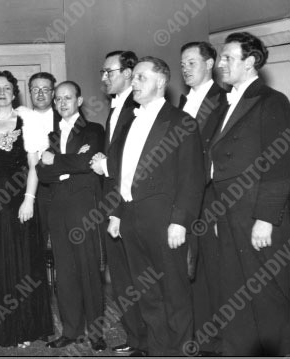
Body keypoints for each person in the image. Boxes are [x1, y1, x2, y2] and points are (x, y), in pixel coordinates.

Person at [107, 57, 205, 355]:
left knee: (174, 292)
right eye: (133, 77)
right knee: (147, 293)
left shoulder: (180, 121)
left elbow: (192, 176)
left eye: (140, 78)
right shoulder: (129, 122)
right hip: (131, 216)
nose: (133, 83)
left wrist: (180, 220)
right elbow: (119, 172)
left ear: (161, 82)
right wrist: (115, 214)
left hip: (164, 219)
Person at [210, 32, 290, 356]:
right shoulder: (226, 102)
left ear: (250, 61)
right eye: (221, 57)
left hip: (255, 213)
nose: (220, 63)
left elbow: (280, 164)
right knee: (236, 291)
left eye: (228, 57)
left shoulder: (272, 101)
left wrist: (266, 219)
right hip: (230, 213)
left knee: (266, 295)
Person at [0, 70, 53, 348]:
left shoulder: (27, 121)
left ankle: (25, 329)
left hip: (19, 202)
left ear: (14, 92)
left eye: (7, 88)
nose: (1, 92)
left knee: (22, 263)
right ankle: (2, 331)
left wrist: (29, 199)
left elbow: (34, 166)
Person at [37, 81, 106, 351]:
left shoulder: (93, 130)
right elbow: (43, 174)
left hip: (83, 208)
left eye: (68, 98)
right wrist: (69, 162)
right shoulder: (53, 136)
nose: (62, 103)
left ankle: (97, 333)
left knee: (89, 270)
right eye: (58, 99)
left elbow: (87, 163)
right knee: (65, 274)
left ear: (79, 101)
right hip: (58, 209)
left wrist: (57, 162)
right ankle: (71, 330)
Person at [89, 50, 148, 355]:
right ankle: (137, 339)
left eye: (109, 72)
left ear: (128, 73)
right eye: (103, 72)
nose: (103, 78)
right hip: (113, 203)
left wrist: (107, 166)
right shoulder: (117, 109)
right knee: (123, 276)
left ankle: (146, 340)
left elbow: (137, 159)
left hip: (127, 203)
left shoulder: (136, 108)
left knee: (135, 276)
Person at [178, 41, 228, 356]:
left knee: (213, 266)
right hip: (183, 195)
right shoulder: (182, 103)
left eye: (191, 62)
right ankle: (195, 333)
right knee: (188, 266)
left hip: (211, 197)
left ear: (209, 64)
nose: (185, 69)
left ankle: (218, 339)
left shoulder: (223, 101)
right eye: (182, 64)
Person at [16, 72, 60, 257]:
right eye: (35, 89)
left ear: (53, 92)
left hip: (59, 189)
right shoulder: (18, 119)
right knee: (33, 246)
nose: (40, 94)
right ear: (29, 92)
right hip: (27, 190)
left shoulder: (66, 117)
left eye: (45, 89)